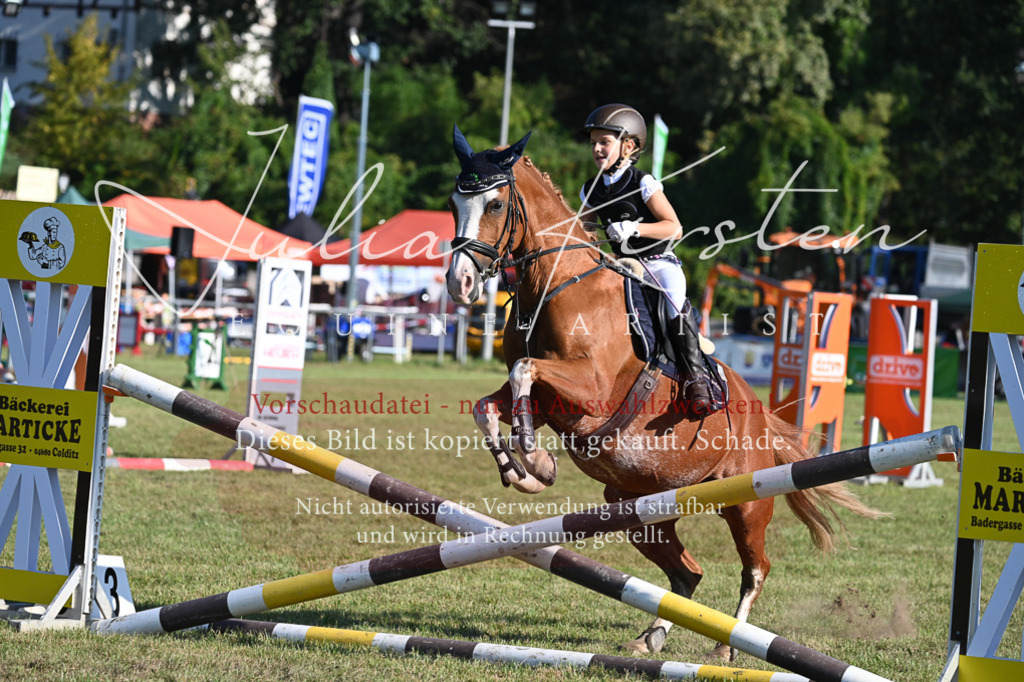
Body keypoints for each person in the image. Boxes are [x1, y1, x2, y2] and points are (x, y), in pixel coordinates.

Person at [578, 103, 722, 416]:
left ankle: (696, 379)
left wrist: (634, 227)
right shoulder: (590, 189)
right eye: (594, 144)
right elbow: (585, 232)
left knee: (672, 304)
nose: (597, 149)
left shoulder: (642, 182)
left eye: (605, 142)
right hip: (619, 269)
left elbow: (675, 227)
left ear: (628, 145)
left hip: (657, 264)